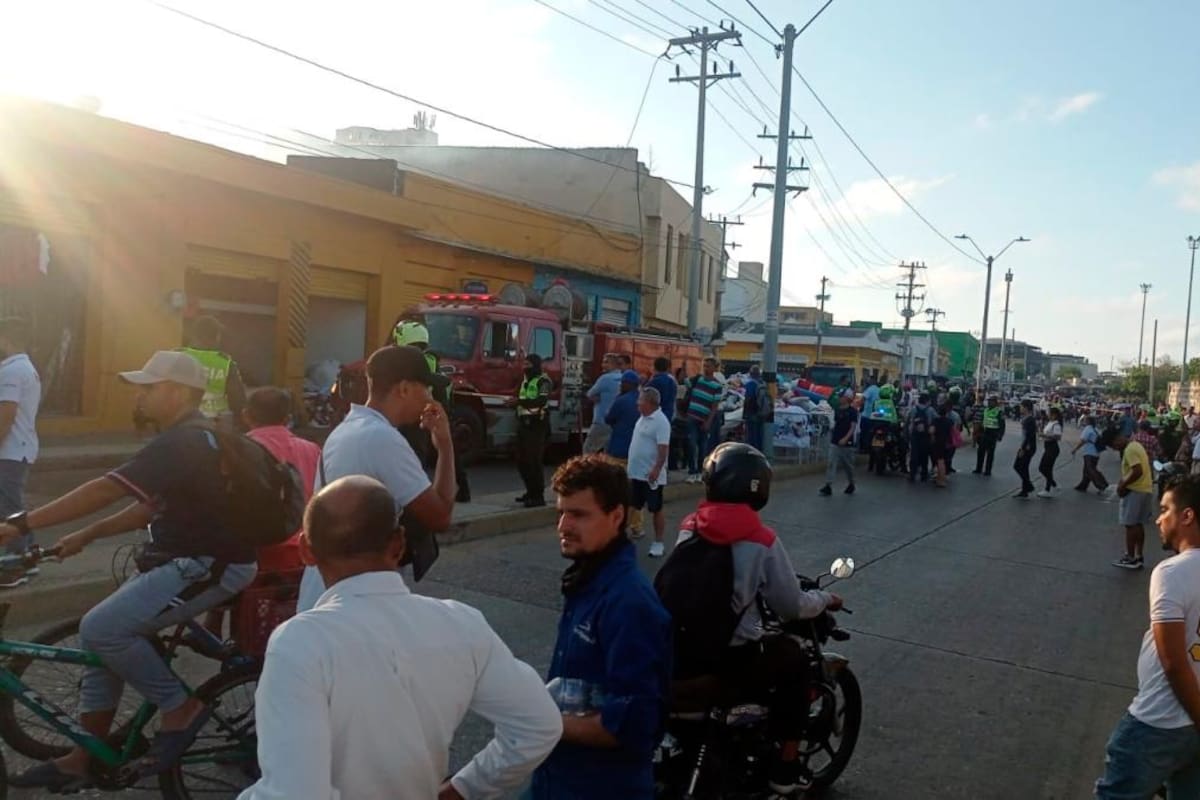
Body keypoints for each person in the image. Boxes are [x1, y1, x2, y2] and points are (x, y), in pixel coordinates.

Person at [4, 351, 259, 790]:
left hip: (211, 564)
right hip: (185, 561)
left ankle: (179, 707)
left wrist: (19, 524)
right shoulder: (192, 437)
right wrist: (91, 533)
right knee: (101, 638)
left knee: (103, 629)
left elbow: (106, 487)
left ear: (176, 392)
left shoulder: (185, 441)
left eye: (148, 388)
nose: (138, 397)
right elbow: (151, 504)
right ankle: (84, 756)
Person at [240, 476, 562, 800]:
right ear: (398, 544)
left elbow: (292, 793)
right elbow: (539, 724)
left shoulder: (300, 642)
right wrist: (466, 788)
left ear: (306, 551)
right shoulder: (461, 623)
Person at [671, 442, 843, 795]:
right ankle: (784, 770)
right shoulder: (761, 539)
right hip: (732, 656)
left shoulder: (690, 527)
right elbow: (791, 606)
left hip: (681, 647)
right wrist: (825, 598)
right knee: (795, 663)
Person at [531, 456, 672, 800]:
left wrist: (538, 720)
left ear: (617, 516)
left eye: (579, 514)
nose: (563, 526)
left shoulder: (629, 603)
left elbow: (632, 723)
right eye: (560, 512)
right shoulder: (586, 579)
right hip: (556, 778)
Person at [298, 345, 456, 611]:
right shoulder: (383, 439)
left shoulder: (348, 429)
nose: (430, 398)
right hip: (354, 605)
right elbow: (440, 516)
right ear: (404, 389)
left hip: (325, 593)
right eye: (426, 388)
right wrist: (446, 444)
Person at [1095, 474, 1200, 798]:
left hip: (1159, 722)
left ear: (1187, 516)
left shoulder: (1172, 572)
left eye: (1165, 508)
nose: (1158, 518)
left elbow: (1174, 663)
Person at [394, 319, 471, 503]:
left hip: (431, 412)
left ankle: (425, 494)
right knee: (438, 452)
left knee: (431, 452)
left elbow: (431, 382)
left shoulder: (422, 359)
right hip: (428, 410)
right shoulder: (422, 357)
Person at [0, 317, 40, 587]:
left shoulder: (12, 371)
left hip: (10, 450)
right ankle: (28, 558)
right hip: (18, 448)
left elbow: (7, 412)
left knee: (9, 509)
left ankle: (16, 566)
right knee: (11, 507)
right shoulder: (24, 367)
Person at [626, 387, 671, 558]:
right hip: (635, 473)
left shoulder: (661, 422)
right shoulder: (642, 418)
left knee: (655, 508)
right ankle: (622, 537)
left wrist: (657, 469)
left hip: (651, 475)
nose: (638, 403)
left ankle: (658, 542)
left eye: (641, 400)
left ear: (650, 403)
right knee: (632, 504)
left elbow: (663, 448)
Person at [180, 314, 247, 427]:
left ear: (194, 335)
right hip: (213, 425)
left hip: (182, 422)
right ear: (216, 337)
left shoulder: (178, 356)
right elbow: (238, 401)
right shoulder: (225, 363)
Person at [1106, 426, 1154, 570]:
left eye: (1114, 445)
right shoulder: (1136, 445)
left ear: (1118, 438)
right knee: (1138, 524)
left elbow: (1137, 470)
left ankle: (1130, 557)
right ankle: (1139, 556)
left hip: (1135, 490)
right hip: (1145, 489)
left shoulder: (1129, 450)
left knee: (1130, 524)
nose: (1115, 449)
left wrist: (1122, 485)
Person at [605, 371, 644, 537]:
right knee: (634, 491)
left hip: (619, 450)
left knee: (615, 489)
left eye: (623, 383)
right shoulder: (643, 401)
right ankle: (636, 526)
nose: (621, 385)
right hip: (637, 452)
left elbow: (608, 419)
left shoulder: (621, 401)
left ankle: (615, 525)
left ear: (629, 384)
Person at [514, 354, 553, 508]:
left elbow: (541, 401)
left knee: (534, 462)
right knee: (521, 461)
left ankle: (538, 496)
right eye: (524, 363)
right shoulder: (524, 380)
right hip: (524, 424)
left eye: (528, 364)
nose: (525, 366)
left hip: (538, 425)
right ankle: (530, 491)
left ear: (536, 365)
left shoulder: (544, 381)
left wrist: (519, 402)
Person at [683, 358, 724, 484]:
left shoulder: (717, 386)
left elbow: (714, 407)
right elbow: (684, 382)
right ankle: (692, 471)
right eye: (704, 366)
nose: (706, 369)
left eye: (709, 366)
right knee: (691, 443)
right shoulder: (696, 380)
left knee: (702, 447)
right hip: (692, 417)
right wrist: (684, 368)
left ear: (715, 368)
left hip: (704, 420)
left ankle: (700, 472)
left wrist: (708, 422)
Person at [820, 389, 858, 496]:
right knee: (831, 463)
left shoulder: (852, 412)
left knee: (848, 466)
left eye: (841, 396)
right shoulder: (837, 410)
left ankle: (851, 483)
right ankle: (828, 485)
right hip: (835, 441)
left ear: (847, 398)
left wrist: (846, 438)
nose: (839, 398)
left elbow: (853, 427)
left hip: (847, 444)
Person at [583, 354, 622, 455]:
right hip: (616, 424)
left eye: (606, 362)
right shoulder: (622, 377)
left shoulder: (605, 379)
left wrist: (596, 398)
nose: (602, 365)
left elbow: (589, 394)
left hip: (601, 422)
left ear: (614, 364)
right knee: (607, 453)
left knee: (588, 450)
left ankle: (587, 471)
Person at [1073, 414, 1111, 496]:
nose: (1084, 421)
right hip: (1096, 453)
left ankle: (1102, 485)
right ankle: (1083, 485)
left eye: (1085, 420)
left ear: (1088, 422)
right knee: (1087, 470)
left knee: (1091, 470)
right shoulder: (1096, 429)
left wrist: (1075, 449)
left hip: (1089, 452)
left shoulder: (1087, 429)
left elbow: (1083, 440)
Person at [973, 395, 1005, 476]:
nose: (989, 402)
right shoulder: (986, 410)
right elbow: (982, 421)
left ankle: (988, 471)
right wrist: (978, 433)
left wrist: (1000, 435)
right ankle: (978, 468)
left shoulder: (999, 411)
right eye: (989, 401)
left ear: (995, 402)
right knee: (980, 451)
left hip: (993, 433)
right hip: (984, 432)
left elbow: (1002, 425)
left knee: (990, 453)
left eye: (991, 401)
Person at [1013, 399, 1038, 499]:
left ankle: (1028, 486)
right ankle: (1025, 490)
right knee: (1024, 468)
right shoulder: (1026, 418)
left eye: (1021, 406)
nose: (1020, 408)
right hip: (1026, 445)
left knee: (1018, 466)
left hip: (1028, 447)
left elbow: (1029, 436)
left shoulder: (1030, 420)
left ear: (1026, 408)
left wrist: (1023, 448)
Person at [907, 393, 935, 482]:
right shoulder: (931, 410)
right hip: (925, 435)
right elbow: (935, 420)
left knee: (914, 454)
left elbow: (908, 420)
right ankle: (924, 475)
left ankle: (912, 474)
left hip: (915, 435)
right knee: (924, 455)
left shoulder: (914, 409)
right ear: (927, 401)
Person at [1036, 407, 1064, 498]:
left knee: (1043, 468)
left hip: (1052, 448)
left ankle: (1053, 485)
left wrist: (1044, 435)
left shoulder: (1056, 425)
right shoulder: (1050, 423)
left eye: (1049, 413)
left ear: (1054, 415)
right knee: (1047, 469)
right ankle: (1048, 489)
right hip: (1047, 447)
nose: (1047, 415)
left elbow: (1058, 437)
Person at [743, 365, 764, 451]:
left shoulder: (750, 384)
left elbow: (748, 399)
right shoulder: (763, 383)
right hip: (762, 413)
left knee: (751, 436)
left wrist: (744, 414)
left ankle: (752, 453)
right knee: (759, 435)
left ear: (751, 374)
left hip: (751, 413)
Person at [931, 401, 953, 489]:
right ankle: (940, 478)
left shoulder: (936, 420)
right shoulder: (949, 421)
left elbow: (931, 431)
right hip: (947, 442)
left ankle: (941, 480)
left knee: (939, 461)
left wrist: (932, 437)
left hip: (938, 442)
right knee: (942, 460)